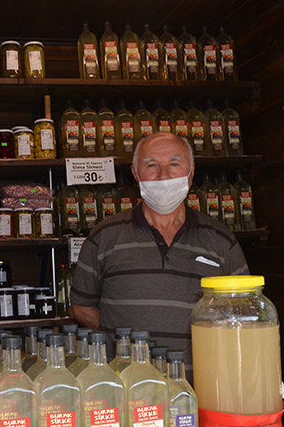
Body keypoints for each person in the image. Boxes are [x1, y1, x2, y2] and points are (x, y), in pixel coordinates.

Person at [69, 132, 249, 368]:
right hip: (127, 386)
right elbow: (80, 308)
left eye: (174, 164)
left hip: (201, 386)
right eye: (151, 165)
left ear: (191, 173)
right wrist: (120, 336)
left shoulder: (221, 239)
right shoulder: (104, 236)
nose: (163, 175)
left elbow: (246, 312)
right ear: (135, 174)